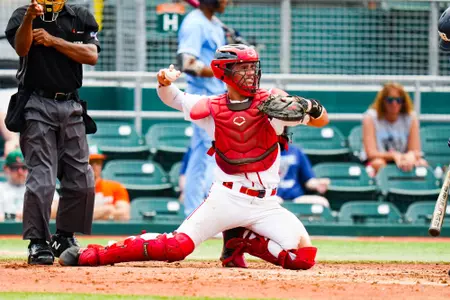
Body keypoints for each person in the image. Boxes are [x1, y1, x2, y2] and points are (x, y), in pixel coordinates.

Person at [59, 44, 329, 271]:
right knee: (175, 247)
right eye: (242, 68)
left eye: (252, 67)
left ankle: (240, 241)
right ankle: (95, 254)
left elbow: (321, 121)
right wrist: (163, 83)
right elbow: (175, 98)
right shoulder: (213, 108)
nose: (250, 74)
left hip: (267, 203)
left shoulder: (273, 102)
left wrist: (312, 107)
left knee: (301, 259)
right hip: (227, 198)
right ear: (224, 72)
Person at [5, 0, 100, 265]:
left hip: (71, 104)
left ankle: (64, 236)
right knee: (42, 177)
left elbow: (91, 55)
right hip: (36, 102)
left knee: (82, 177)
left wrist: (53, 40)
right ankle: (37, 242)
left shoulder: (80, 16)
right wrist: (29, 20)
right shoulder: (22, 16)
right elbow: (22, 48)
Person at [177, 0, 227, 217]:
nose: (227, 1)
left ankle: (195, 212)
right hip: (203, 99)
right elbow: (187, 64)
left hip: (216, 95)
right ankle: (204, 213)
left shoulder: (214, 22)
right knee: (210, 154)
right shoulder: (194, 23)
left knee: (201, 156)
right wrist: (223, 71)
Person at [361, 82, 427, 174]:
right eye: (390, 100)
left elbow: (415, 151)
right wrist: (394, 155)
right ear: (383, 101)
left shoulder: (411, 117)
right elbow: (371, 154)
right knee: (379, 163)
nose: (394, 103)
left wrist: (408, 157)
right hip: (379, 160)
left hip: (402, 160)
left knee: (422, 163)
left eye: (399, 100)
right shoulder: (370, 117)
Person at [0, 149, 59, 222]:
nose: (20, 172)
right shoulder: (1, 188)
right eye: (15, 168)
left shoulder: (41, 186)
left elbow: (56, 209)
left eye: (24, 167)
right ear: (6, 168)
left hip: (33, 231)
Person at [278, 141, 330, 207]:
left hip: (296, 198)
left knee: (323, 202)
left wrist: (318, 184)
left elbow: (308, 180)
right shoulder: (264, 153)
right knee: (275, 202)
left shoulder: (295, 151)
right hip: (273, 198)